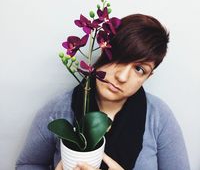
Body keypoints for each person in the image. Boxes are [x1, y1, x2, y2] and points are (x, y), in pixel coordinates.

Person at [16, 14, 190, 170]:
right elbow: (27, 164)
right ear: (103, 48)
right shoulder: (57, 111)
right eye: (120, 57)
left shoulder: (159, 117)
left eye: (139, 69)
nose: (122, 76)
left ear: (148, 77)